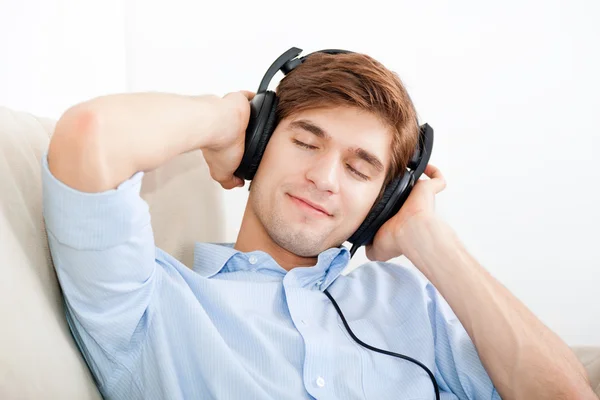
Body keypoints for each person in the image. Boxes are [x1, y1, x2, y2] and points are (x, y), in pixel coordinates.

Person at [42, 48, 594, 400]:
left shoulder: (414, 306)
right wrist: (229, 118)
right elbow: (90, 136)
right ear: (258, 148)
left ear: (384, 201)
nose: (326, 178)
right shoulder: (153, 304)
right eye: (305, 141)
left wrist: (430, 240)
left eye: (360, 168)